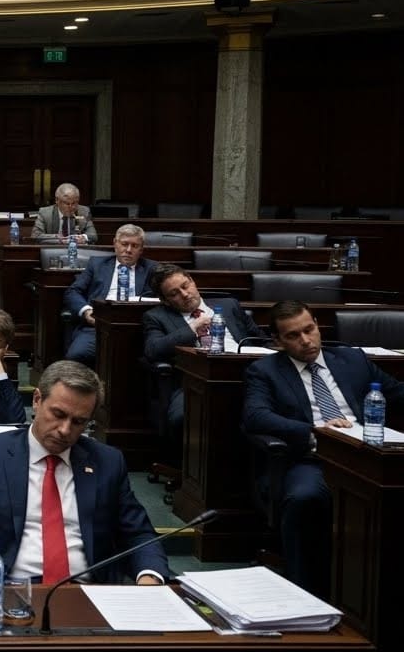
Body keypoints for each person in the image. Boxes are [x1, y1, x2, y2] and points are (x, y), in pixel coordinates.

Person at [0, 360, 171, 585]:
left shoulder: (107, 461)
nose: (65, 430)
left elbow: (139, 534)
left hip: (90, 593)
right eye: (58, 414)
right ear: (36, 400)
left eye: (78, 422)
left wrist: (149, 576)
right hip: (6, 590)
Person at [242, 300, 404, 597]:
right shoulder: (264, 371)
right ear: (278, 341)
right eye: (293, 336)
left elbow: (398, 393)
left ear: (317, 324)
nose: (306, 341)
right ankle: (304, 593)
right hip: (313, 460)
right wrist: (316, 431)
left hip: (370, 454)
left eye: (310, 329)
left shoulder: (352, 360)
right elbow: (255, 416)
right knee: (305, 498)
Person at [142, 263, 263, 448]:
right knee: (184, 416)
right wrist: (193, 328)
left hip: (246, 377)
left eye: (185, 286)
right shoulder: (156, 317)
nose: (184, 294)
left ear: (192, 281)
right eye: (174, 293)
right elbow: (153, 350)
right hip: (194, 384)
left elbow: (259, 339)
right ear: (165, 301)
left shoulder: (229, 305)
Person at [63, 223, 156, 367]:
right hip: (98, 326)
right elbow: (73, 291)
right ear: (115, 244)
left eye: (134, 246)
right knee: (75, 356)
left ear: (141, 249)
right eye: (124, 244)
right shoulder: (97, 264)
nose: (128, 250)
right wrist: (87, 311)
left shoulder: (152, 269)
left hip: (138, 329)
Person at [31, 183, 97, 244]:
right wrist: (57, 238)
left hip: (77, 250)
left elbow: (93, 235)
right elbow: (36, 235)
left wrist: (83, 238)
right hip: (54, 250)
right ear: (57, 200)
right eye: (67, 203)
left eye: (74, 203)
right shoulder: (45, 213)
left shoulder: (84, 211)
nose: (72, 207)